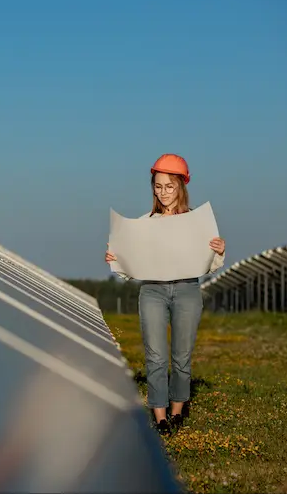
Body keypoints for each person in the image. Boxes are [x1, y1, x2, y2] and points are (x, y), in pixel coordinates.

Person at [104, 153, 225, 436]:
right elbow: (129, 261)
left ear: (181, 186)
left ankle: (177, 412)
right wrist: (115, 258)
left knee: (182, 356)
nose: (163, 192)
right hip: (152, 291)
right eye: (158, 186)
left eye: (169, 186)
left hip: (187, 290)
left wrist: (218, 250)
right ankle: (159, 417)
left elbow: (210, 263)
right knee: (155, 356)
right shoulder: (145, 222)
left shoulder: (197, 222)